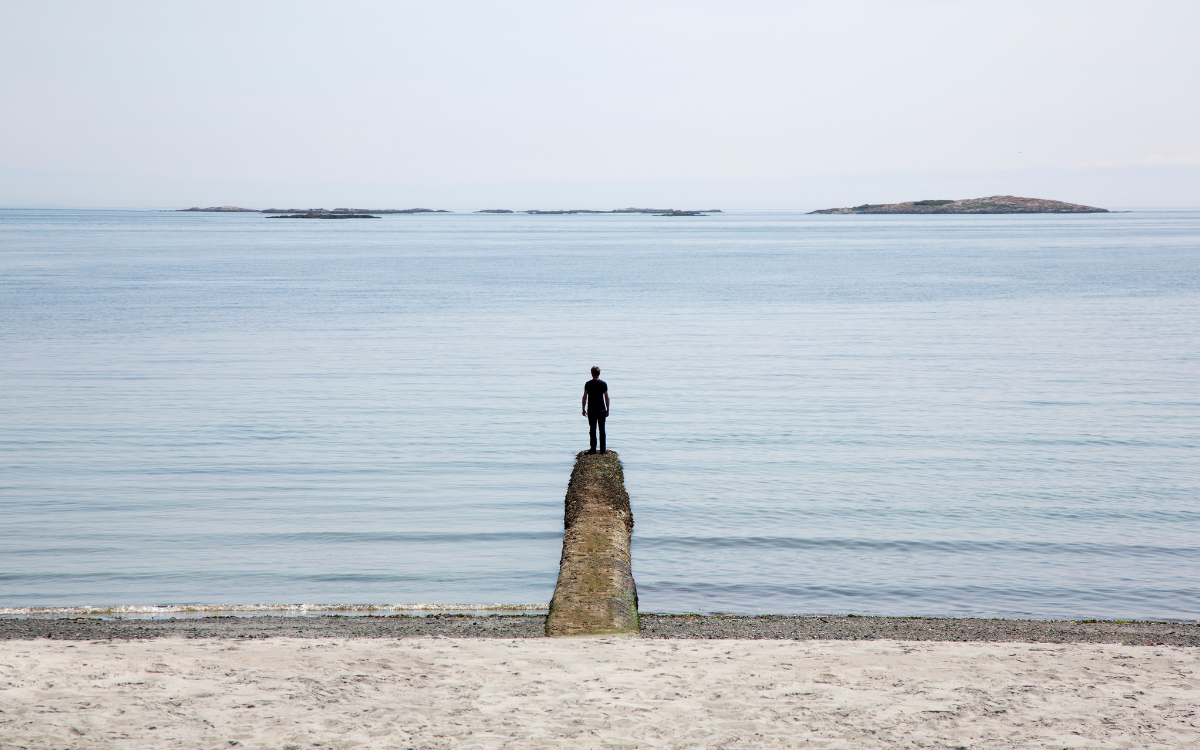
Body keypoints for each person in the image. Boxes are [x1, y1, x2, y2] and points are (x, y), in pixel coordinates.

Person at [582, 366, 610, 454]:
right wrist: (607, 409)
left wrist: (583, 408)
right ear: (599, 373)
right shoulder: (603, 384)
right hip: (601, 409)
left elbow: (584, 397)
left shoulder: (588, 384)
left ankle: (593, 449)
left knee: (592, 429)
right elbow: (607, 397)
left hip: (591, 409)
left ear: (592, 374)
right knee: (602, 429)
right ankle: (603, 450)